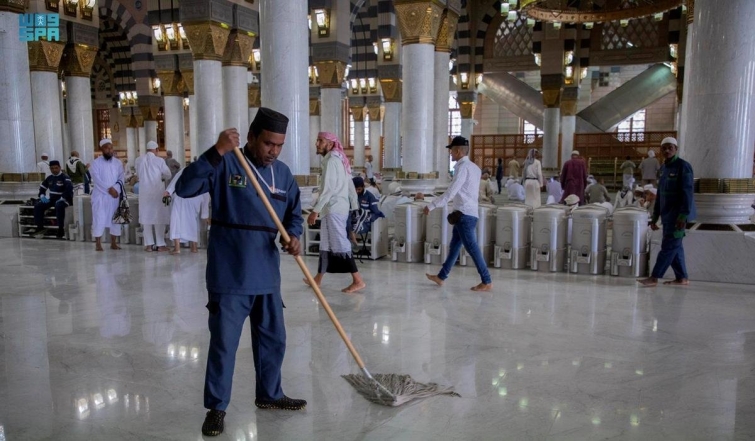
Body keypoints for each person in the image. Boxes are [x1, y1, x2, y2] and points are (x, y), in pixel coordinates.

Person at [175, 108, 306, 437]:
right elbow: (185, 188)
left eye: (279, 145)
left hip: (266, 273)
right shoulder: (227, 162)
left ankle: (270, 394)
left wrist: (294, 237)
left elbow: (293, 213)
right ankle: (216, 408)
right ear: (251, 138)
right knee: (224, 344)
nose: (273, 151)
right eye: (268, 144)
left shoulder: (284, 174)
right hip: (229, 273)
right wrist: (216, 151)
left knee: (273, 340)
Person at [424, 136, 493, 292]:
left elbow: (451, 192)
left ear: (458, 151)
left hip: (464, 215)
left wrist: (432, 205)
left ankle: (487, 280)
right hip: (468, 213)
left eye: (451, 151)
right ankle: (441, 276)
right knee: (455, 246)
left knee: (472, 248)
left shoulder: (462, 168)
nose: (450, 154)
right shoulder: (475, 168)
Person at [306, 132, 365, 294]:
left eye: (320, 141)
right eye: (317, 140)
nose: (317, 143)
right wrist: (353, 205)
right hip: (334, 208)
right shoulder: (339, 159)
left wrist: (315, 211)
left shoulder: (332, 161)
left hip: (334, 209)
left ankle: (358, 280)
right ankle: (318, 279)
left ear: (330, 144)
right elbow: (350, 185)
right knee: (325, 244)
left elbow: (328, 189)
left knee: (341, 243)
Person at [638, 137, 696, 287]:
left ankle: (654, 277)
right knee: (676, 247)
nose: (667, 150)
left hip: (678, 216)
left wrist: (683, 215)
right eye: (664, 148)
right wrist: (656, 216)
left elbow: (688, 193)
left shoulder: (683, 166)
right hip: (667, 215)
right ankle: (682, 278)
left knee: (669, 246)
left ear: (676, 149)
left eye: (670, 147)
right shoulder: (663, 169)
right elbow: (660, 195)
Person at [135, 141, 172, 252]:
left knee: (146, 218)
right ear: (156, 150)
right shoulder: (159, 160)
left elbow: (137, 174)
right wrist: (161, 176)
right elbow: (168, 174)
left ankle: (149, 245)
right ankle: (160, 244)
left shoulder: (138, 160)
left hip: (144, 193)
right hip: (156, 192)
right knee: (158, 217)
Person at [164, 167, 210, 254]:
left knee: (176, 221)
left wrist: (168, 191)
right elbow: (206, 192)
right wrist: (205, 214)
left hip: (181, 196)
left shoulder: (187, 169)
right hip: (196, 198)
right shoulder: (206, 173)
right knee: (192, 221)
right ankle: (194, 247)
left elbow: (176, 180)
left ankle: (177, 248)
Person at [89, 139, 124, 251]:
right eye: (107, 148)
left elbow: (121, 178)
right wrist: (109, 189)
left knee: (114, 219)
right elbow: (97, 180)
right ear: (102, 149)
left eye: (111, 148)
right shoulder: (96, 163)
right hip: (100, 196)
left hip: (114, 196)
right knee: (99, 218)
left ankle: (113, 242)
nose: (110, 150)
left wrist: (116, 189)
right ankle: (98, 243)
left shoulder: (118, 163)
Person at [33, 160, 73, 239]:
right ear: (50, 169)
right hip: (53, 199)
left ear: (60, 168)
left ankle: (60, 229)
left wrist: (62, 198)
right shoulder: (49, 178)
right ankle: (40, 228)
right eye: (52, 168)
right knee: (38, 206)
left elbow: (69, 189)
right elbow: (42, 188)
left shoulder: (65, 177)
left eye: (56, 168)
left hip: (65, 199)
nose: (54, 170)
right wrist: (42, 196)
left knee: (58, 206)